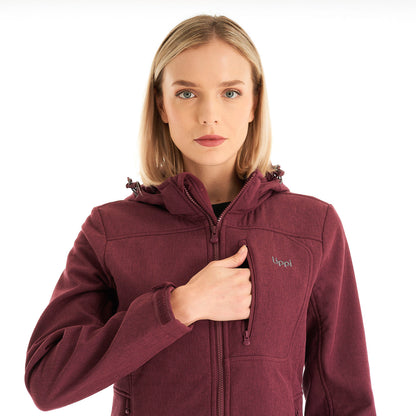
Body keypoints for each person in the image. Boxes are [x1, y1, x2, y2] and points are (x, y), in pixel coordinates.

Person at [24, 14, 377, 416]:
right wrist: (179, 307)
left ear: (254, 102)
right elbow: (47, 381)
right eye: (187, 93)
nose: (209, 114)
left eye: (230, 92)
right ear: (161, 104)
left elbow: (344, 399)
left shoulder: (312, 227)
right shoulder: (111, 230)